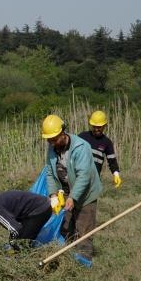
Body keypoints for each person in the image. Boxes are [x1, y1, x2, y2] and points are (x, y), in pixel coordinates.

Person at [41, 114, 103, 267]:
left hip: (86, 193)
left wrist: (73, 197)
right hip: (66, 190)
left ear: (63, 133)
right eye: (49, 140)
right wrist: (53, 194)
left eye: (54, 139)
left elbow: (84, 176)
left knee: (84, 229)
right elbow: (49, 171)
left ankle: (85, 262)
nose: (52, 143)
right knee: (66, 226)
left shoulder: (80, 147)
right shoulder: (52, 148)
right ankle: (66, 258)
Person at [79, 111, 122, 188]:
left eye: (99, 127)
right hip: (78, 178)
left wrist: (116, 174)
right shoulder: (82, 137)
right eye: (94, 126)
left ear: (105, 125)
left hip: (94, 181)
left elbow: (112, 161)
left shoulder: (107, 142)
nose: (96, 129)